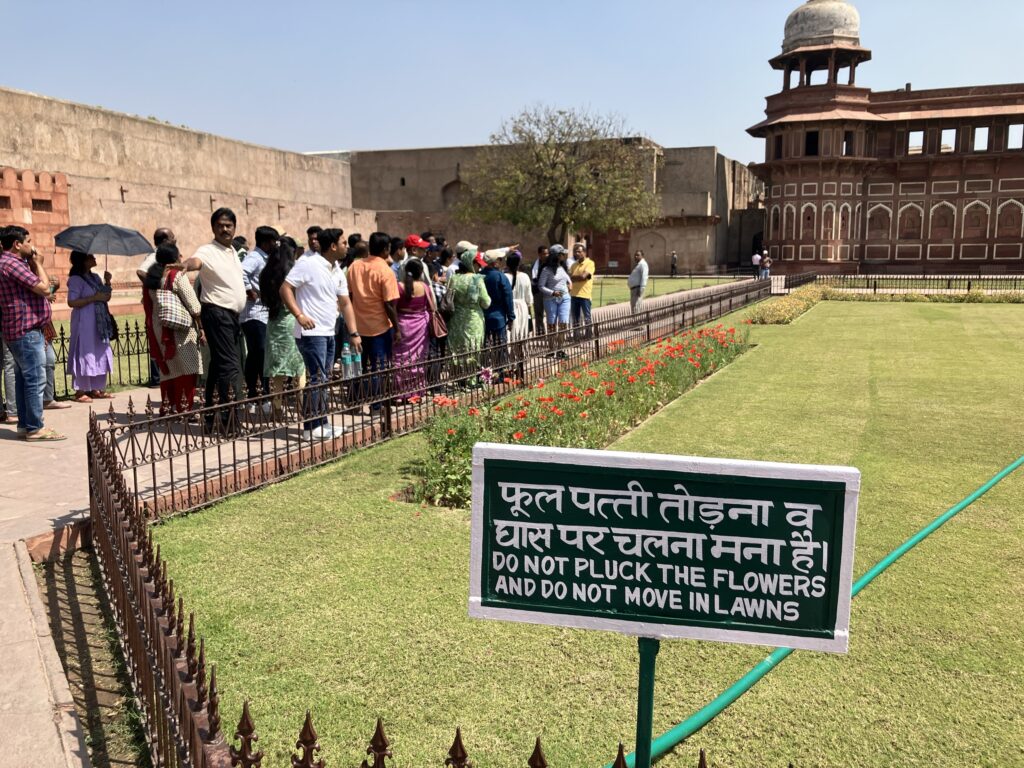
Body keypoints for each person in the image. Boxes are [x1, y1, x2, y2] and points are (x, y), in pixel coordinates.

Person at [280, 227, 361, 439]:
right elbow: (285, 289)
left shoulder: (336, 269)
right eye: (344, 243)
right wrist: (299, 315)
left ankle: (321, 423)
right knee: (317, 379)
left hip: (329, 331)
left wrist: (353, 333)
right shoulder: (308, 263)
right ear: (333, 246)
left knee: (323, 379)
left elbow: (345, 303)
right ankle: (310, 427)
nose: (347, 246)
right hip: (311, 334)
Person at [0, 226, 65, 440]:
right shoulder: (12, 264)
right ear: (17, 244)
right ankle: (35, 427)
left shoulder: (11, 263)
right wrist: (38, 263)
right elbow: (45, 289)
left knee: (23, 379)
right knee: (35, 379)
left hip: (18, 330)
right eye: (28, 241)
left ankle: (25, 424)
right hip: (26, 330)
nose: (32, 245)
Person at [184, 208, 247, 429]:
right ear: (213, 228)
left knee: (219, 366)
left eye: (229, 225)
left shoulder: (231, 252)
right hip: (217, 313)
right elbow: (196, 261)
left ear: (234, 228)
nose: (224, 229)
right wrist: (185, 266)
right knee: (230, 366)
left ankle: (211, 417)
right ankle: (230, 421)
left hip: (230, 316)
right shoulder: (208, 250)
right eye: (220, 225)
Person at [144, 243, 204, 414]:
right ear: (174, 258)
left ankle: (168, 407)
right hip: (181, 329)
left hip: (160, 329)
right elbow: (194, 306)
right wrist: (202, 327)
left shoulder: (152, 277)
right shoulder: (176, 276)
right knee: (187, 368)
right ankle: (185, 408)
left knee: (169, 370)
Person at [259, 239, 306, 419]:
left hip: (273, 322)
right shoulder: (292, 272)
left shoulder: (266, 273)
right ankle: (302, 408)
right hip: (291, 321)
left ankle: (277, 409)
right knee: (299, 367)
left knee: (278, 370)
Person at [348, 232, 399, 379]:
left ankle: (356, 397)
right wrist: (397, 329)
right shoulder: (386, 271)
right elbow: (389, 304)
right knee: (379, 368)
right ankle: (376, 402)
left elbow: (350, 297)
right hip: (380, 328)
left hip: (358, 327)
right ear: (386, 249)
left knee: (359, 366)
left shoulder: (354, 266)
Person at [66, 251, 115, 401]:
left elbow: (106, 297)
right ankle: (81, 390)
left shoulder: (95, 277)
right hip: (84, 321)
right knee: (85, 351)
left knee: (99, 351)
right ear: (84, 260)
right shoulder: (75, 279)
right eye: (91, 256)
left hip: (99, 322)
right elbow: (72, 302)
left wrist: (108, 282)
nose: (94, 258)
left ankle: (96, 388)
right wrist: (93, 298)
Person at [240, 226, 278, 405]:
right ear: (265, 242)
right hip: (253, 314)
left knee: (258, 353)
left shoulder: (267, 258)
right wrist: (249, 290)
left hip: (263, 313)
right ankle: (258, 393)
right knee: (260, 352)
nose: (275, 244)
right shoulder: (254, 258)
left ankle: (256, 392)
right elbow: (241, 273)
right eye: (273, 241)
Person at [137, 227, 176, 387]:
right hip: (156, 304)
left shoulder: (161, 256)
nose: (175, 239)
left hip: (159, 304)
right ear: (165, 240)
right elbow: (140, 271)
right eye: (172, 237)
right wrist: (158, 284)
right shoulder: (154, 256)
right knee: (157, 335)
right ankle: (157, 377)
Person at [446, 248, 490, 374]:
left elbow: (449, 298)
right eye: (477, 265)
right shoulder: (477, 279)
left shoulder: (454, 278)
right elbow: (486, 303)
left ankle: (458, 378)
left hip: (455, 321)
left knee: (457, 350)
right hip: (472, 321)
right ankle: (471, 379)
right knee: (472, 348)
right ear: (471, 264)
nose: (479, 268)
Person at [393, 259, 431, 397]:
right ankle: (417, 392)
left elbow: (393, 307)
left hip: (402, 325)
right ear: (421, 272)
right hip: (421, 326)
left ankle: (400, 393)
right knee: (418, 359)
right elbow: (431, 306)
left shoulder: (399, 286)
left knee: (400, 359)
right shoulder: (424, 287)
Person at [539, 246, 572, 355]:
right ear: (556, 255)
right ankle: (551, 349)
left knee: (563, 324)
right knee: (552, 325)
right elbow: (541, 286)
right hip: (550, 299)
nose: (564, 255)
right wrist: (553, 292)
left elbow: (566, 278)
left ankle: (560, 349)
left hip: (565, 298)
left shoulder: (562, 267)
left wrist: (569, 283)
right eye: (562, 254)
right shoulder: (546, 270)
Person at [505, 250, 533, 342]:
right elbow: (529, 298)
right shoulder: (525, 276)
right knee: (521, 332)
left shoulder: (504, 277)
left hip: (509, 307)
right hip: (523, 306)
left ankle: (511, 354)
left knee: (510, 333)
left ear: (507, 264)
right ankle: (521, 353)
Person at [569, 243, 595, 335]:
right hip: (574, 294)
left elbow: (584, 277)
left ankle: (588, 335)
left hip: (585, 295)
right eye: (576, 252)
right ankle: (577, 336)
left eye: (579, 251)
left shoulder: (590, 263)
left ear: (584, 252)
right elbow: (569, 278)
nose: (577, 253)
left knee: (587, 317)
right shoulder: (573, 265)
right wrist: (578, 277)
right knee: (575, 318)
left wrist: (575, 277)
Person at [530, 245, 549, 336]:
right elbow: (533, 278)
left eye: (547, 253)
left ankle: (551, 333)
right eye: (544, 253)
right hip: (537, 292)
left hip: (548, 291)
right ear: (539, 254)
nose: (546, 255)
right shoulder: (535, 265)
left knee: (550, 313)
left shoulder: (550, 264)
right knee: (538, 313)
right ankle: (540, 333)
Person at [627, 249, 649, 314]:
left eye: (638, 255)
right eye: (635, 255)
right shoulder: (639, 264)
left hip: (637, 289)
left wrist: (641, 288)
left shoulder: (643, 264)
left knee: (636, 308)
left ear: (642, 256)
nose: (636, 256)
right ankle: (635, 322)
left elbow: (644, 277)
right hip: (634, 289)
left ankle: (636, 322)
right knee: (634, 307)